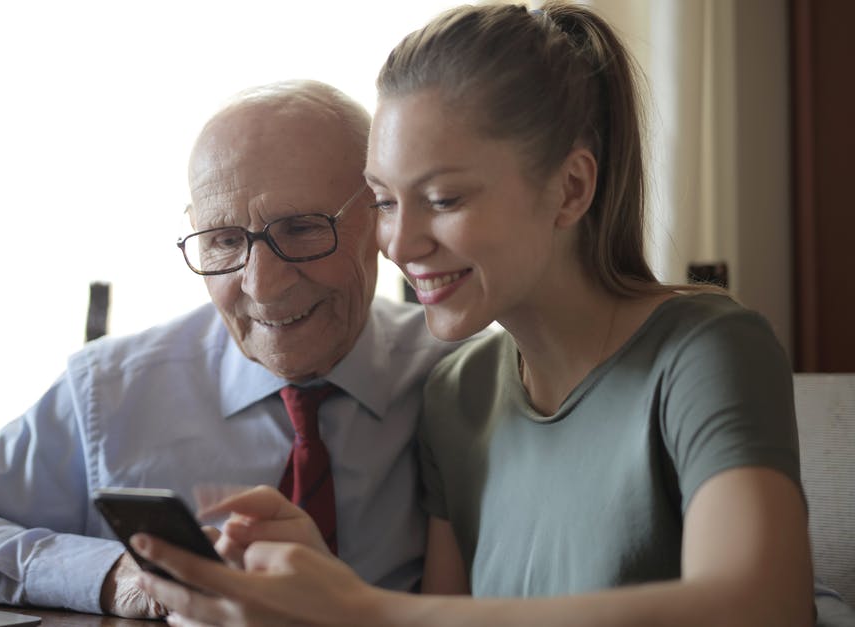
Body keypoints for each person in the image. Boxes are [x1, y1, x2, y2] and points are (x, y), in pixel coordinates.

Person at [132, 3, 820, 626]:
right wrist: (317, 587)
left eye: (443, 198)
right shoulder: (458, 393)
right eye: (387, 201)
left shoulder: (705, 349)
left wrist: (361, 606)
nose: (399, 244)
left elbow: (761, 606)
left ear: (571, 187)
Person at [0, 79, 457, 618]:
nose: (261, 284)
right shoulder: (113, 391)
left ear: (381, 218)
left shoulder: (464, 383)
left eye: (301, 229)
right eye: (224, 240)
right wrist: (115, 575)